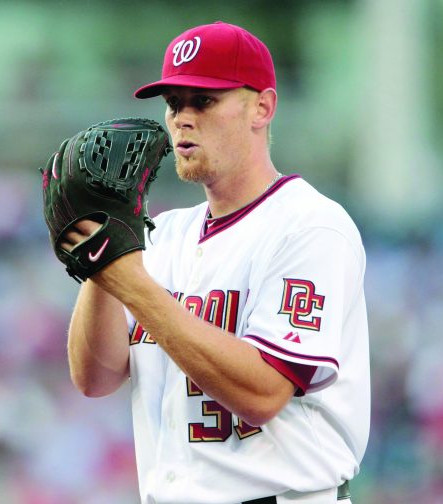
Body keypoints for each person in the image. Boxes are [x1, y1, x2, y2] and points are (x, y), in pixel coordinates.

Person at [63, 21, 369, 504]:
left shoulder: (310, 226)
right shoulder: (162, 235)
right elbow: (95, 378)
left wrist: (133, 283)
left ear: (262, 107)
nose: (183, 118)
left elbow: (263, 394)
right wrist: (103, 265)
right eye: (174, 104)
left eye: (203, 101)